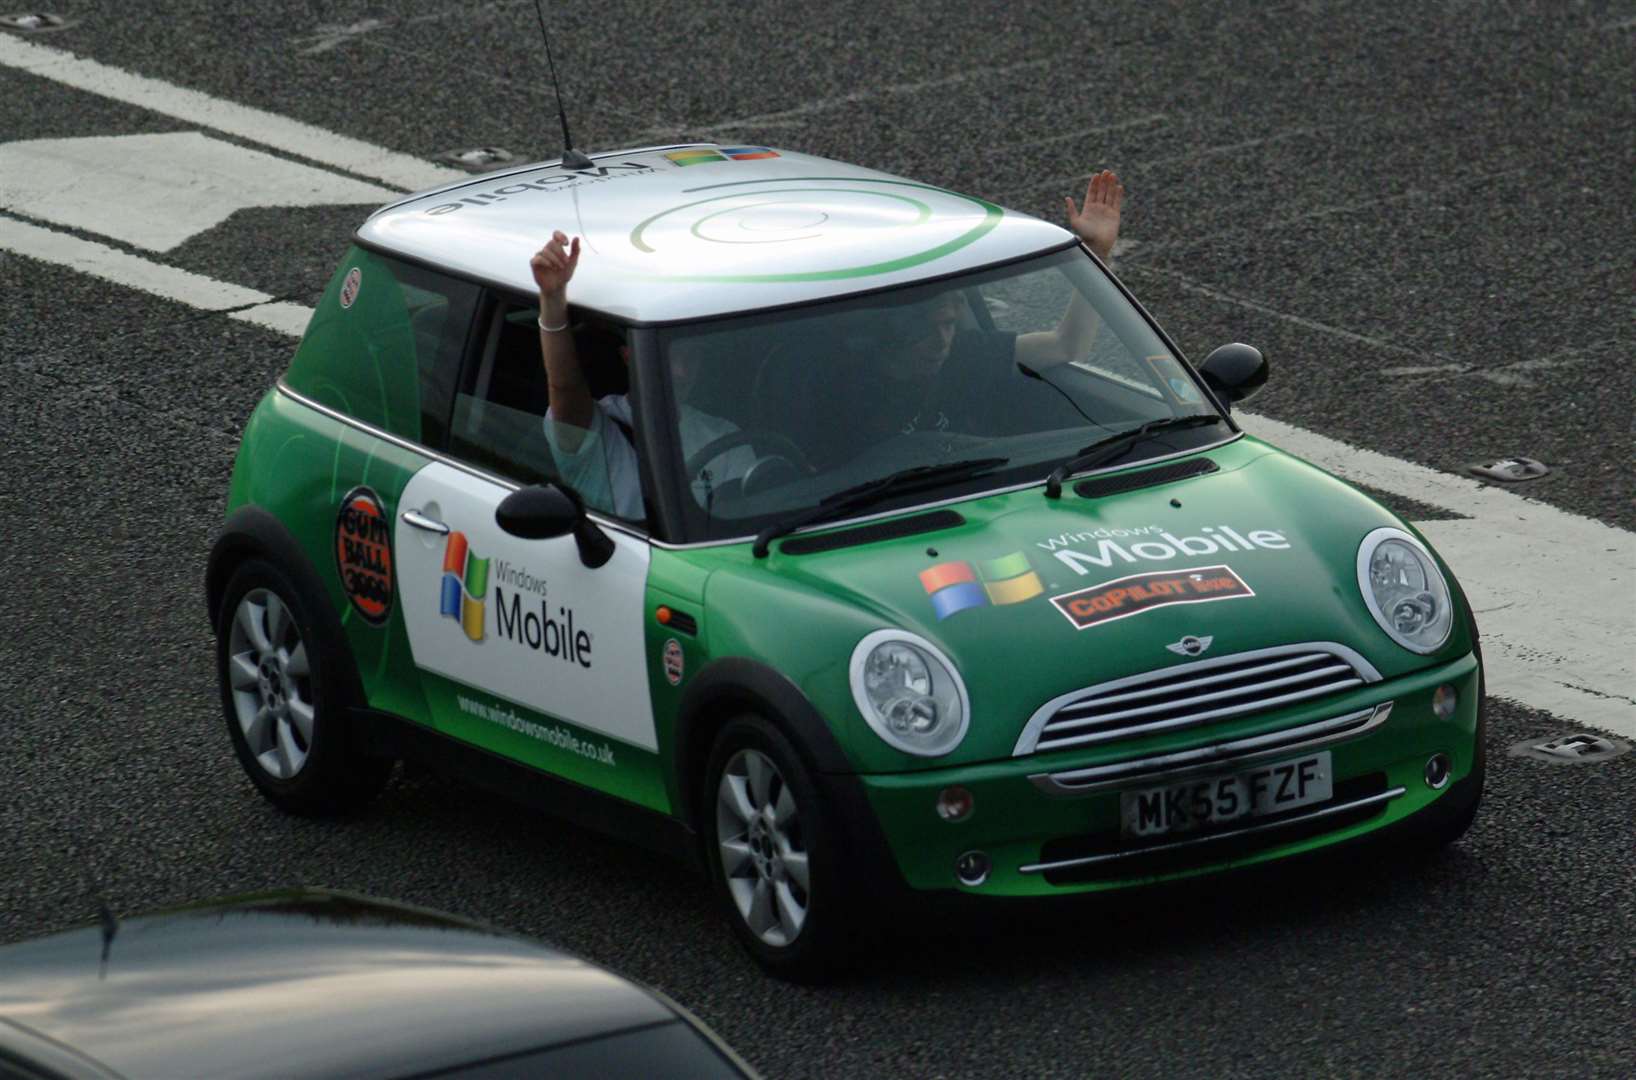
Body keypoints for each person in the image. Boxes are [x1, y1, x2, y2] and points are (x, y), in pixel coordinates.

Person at [860, 169, 1125, 437]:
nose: (942, 341)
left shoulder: (964, 356)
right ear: (897, 327)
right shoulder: (854, 387)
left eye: (949, 324)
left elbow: (1067, 345)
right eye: (929, 328)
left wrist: (1096, 253)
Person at [530, 233, 752, 519]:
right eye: (672, 358)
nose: (682, 372)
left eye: (691, 358)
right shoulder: (600, 430)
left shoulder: (725, 436)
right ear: (627, 358)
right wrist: (552, 300)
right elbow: (564, 385)